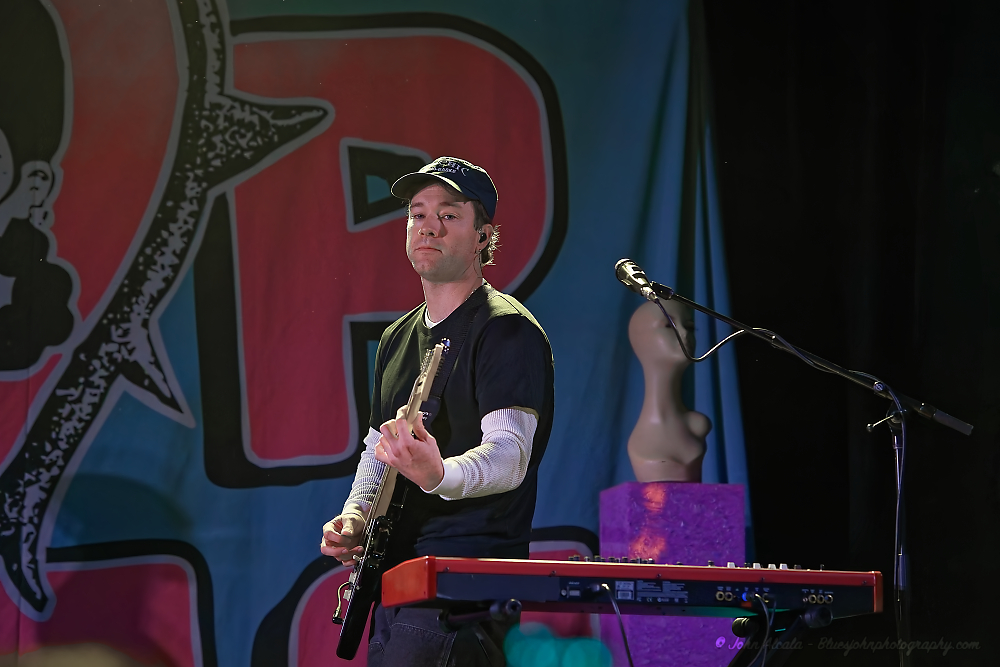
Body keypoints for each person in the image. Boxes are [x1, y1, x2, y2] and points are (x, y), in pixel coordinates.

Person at [320, 156, 554, 666]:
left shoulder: (506, 330)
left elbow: (510, 454)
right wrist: (356, 515)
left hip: (463, 591)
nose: (428, 226)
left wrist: (439, 474)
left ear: (482, 236)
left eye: (449, 215)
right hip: (396, 582)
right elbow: (379, 448)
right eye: (417, 213)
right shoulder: (396, 338)